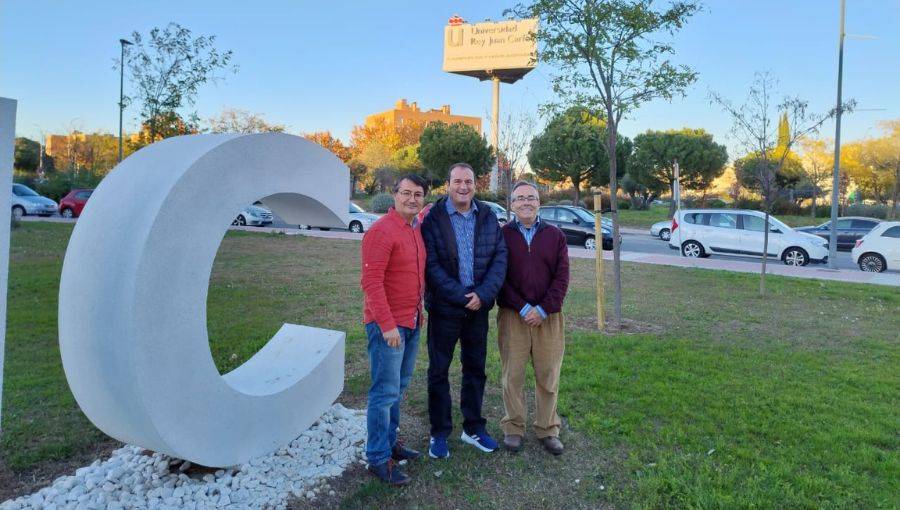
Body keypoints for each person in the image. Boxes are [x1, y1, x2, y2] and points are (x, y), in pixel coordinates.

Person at [421, 163, 508, 459]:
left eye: (468, 181)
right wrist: (460, 295)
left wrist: (482, 295)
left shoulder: (486, 215)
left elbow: (500, 257)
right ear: (447, 184)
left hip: (478, 308)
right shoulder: (434, 217)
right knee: (439, 371)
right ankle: (440, 432)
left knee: (475, 370)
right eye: (457, 181)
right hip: (446, 307)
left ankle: (473, 427)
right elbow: (430, 265)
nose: (463, 186)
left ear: (475, 185)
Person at [360, 174, 429, 485]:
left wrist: (418, 312)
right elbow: (371, 284)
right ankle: (377, 457)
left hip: (411, 321)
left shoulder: (414, 228)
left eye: (417, 194)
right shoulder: (381, 231)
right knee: (383, 392)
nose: (411, 198)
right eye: (405, 193)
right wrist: (388, 326)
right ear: (395, 195)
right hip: (388, 327)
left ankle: (390, 444)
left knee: (397, 389)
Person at [497, 181, 570, 455]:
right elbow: (499, 277)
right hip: (512, 315)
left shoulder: (555, 236)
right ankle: (513, 427)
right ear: (512, 204)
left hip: (548, 317)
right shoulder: (502, 235)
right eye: (520, 198)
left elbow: (562, 278)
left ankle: (548, 429)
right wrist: (522, 306)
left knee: (548, 375)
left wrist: (542, 309)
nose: (526, 202)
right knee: (512, 375)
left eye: (531, 197)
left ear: (539, 202)